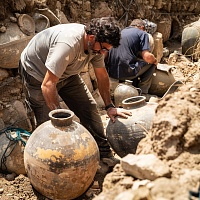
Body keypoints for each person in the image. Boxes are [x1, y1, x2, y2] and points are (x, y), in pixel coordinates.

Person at [18, 17, 132, 170]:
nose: (103, 53)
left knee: (89, 108)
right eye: (103, 48)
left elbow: (102, 75)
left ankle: (104, 154)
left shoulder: (97, 45)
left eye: (107, 50)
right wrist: (59, 117)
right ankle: (49, 166)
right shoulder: (68, 44)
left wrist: (109, 106)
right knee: (48, 123)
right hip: (37, 73)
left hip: (67, 74)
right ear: (91, 37)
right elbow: (48, 85)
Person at [106, 18, 158, 98]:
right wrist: (155, 60)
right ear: (142, 27)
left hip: (112, 73)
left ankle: (134, 86)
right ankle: (143, 92)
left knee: (134, 61)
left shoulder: (120, 32)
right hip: (126, 73)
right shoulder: (142, 33)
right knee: (151, 64)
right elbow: (147, 56)